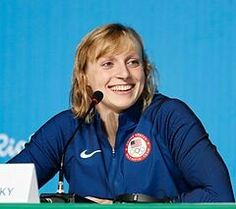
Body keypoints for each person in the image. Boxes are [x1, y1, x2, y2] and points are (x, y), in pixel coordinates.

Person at [8, 23, 235, 203]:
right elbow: (6, 189)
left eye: (133, 62)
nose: (124, 74)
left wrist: (125, 207)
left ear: (145, 71)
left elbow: (219, 196)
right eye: (108, 64)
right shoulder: (67, 128)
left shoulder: (169, 117)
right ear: (84, 77)